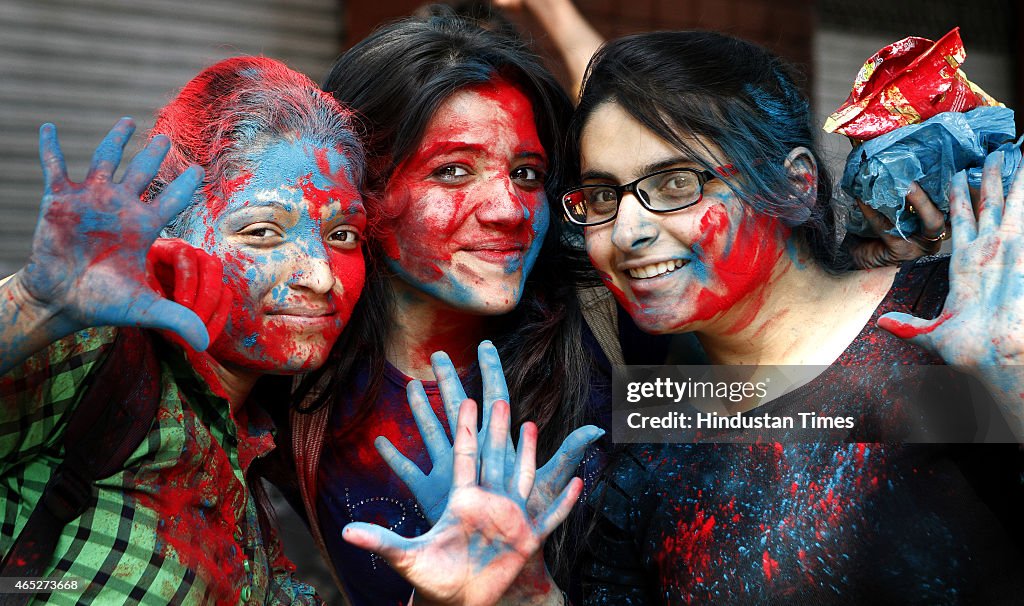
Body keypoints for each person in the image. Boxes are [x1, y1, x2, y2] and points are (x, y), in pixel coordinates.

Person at [563, 31, 1023, 603]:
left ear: (795, 185)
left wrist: (1014, 385)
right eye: (603, 197)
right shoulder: (654, 433)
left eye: (677, 182)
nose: (626, 232)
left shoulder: (963, 314)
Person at [279, 10, 630, 606]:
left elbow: (796, 412)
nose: (509, 209)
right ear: (358, 189)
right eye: (453, 170)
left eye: (526, 173)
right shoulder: (293, 381)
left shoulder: (608, 327)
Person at [0, 56, 368, 604]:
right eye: (262, 231)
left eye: (342, 235)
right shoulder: (94, 355)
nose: (319, 276)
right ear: (173, 235)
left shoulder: (258, 468)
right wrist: (32, 302)